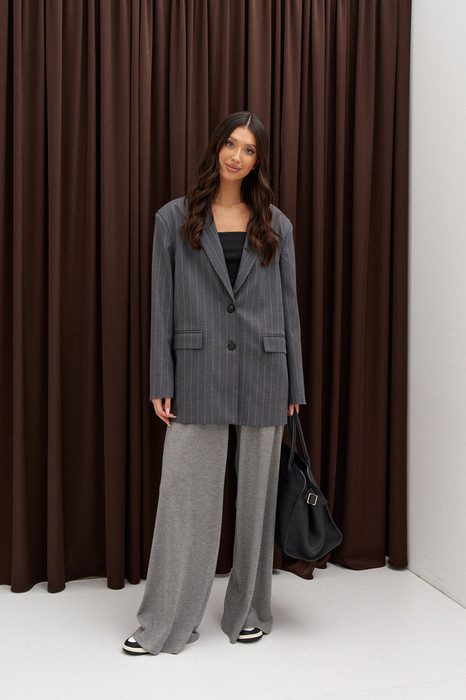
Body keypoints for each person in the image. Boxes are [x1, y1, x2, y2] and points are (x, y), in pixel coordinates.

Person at [123, 111, 306, 656]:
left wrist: (295, 386)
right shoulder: (174, 218)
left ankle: (248, 610)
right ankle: (164, 621)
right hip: (198, 371)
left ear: (258, 161)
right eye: (231, 143)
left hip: (265, 372)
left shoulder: (276, 224)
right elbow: (161, 304)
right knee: (183, 503)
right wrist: (161, 376)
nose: (236, 156)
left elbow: (290, 310)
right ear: (216, 147)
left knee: (257, 503)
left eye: (249, 149)